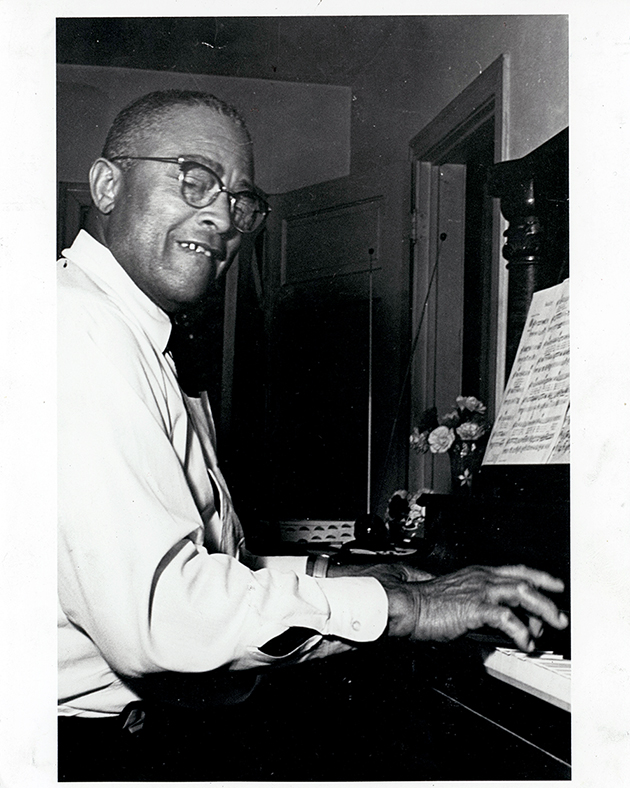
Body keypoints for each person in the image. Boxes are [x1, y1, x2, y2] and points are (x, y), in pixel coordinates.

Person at [58, 89, 568, 781]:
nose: (222, 216)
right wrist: (407, 605)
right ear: (107, 184)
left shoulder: (125, 332)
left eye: (241, 200)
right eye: (194, 178)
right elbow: (168, 617)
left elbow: (202, 565)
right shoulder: (79, 334)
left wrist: (353, 574)